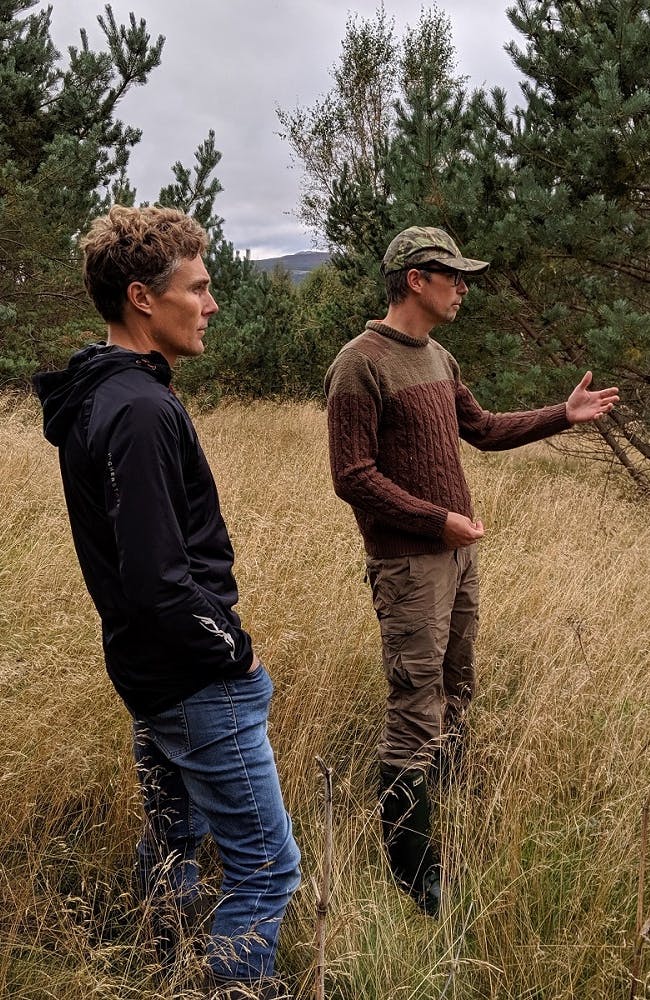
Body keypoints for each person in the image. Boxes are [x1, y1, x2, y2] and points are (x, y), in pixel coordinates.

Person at [33, 205, 300, 1000]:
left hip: (151, 676)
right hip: (195, 681)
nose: (213, 304)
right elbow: (158, 579)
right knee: (264, 868)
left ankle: (168, 967)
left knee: (176, 838)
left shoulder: (102, 397)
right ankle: (232, 988)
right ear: (145, 297)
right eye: (201, 287)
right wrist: (236, 651)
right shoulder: (141, 411)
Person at [324, 226, 618, 917]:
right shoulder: (359, 364)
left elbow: (480, 429)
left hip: (458, 557)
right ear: (414, 280)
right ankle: (414, 874)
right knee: (415, 702)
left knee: (458, 684)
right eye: (452, 274)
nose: (463, 286)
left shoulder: (438, 358)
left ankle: (448, 814)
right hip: (409, 565)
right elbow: (351, 475)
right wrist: (436, 521)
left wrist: (562, 416)